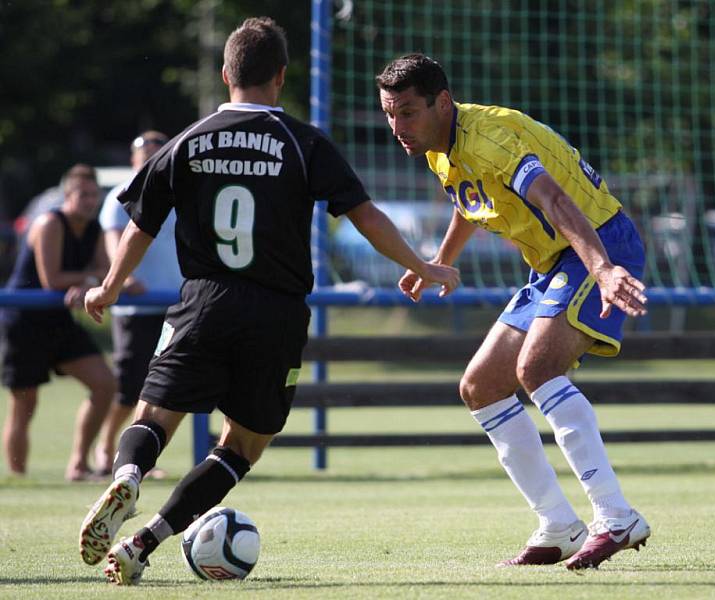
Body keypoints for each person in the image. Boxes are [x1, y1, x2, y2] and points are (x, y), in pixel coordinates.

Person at [78, 18, 459, 585]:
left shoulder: (188, 140)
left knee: (154, 417)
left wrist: (108, 286)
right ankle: (144, 540)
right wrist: (421, 265)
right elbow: (365, 214)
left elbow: (141, 225)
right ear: (280, 77)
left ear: (227, 73)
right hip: (277, 312)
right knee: (243, 446)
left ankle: (130, 473)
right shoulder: (302, 142)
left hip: (203, 302)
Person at [376, 54, 649, 571]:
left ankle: (616, 516)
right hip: (552, 264)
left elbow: (556, 201)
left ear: (442, 103)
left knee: (537, 369)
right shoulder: (441, 148)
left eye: (407, 113)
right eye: (389, 113)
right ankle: (558, 525)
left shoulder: (491, 139)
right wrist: (440, 261)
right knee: (479, 387)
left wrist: (605, 269)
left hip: (595, 243)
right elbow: (470, 201)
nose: (397, 127)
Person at [1, 164, 115, 481]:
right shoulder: (50, 222)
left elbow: (106, 275)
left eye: (94, 195)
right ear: (68, 195)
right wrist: (89, 278)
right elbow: (52, 279)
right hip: (24, 320)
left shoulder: (96, 230)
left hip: (59, 321)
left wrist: (89, 281)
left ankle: (78, 465)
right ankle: (18, 478)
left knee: (105, 384)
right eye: (83, 194)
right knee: (25, 403)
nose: (90, 201)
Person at [94, 131, 182, 476]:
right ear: (133, 157)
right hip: (136, 307)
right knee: (129, 389)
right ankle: (106, 449)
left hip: (173, 306)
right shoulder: (123, 193)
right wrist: (122, 279)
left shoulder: (177, 190)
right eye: (145, 150)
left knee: (161, 389)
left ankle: (138, 460)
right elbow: (115, 240)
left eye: (158, 150)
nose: (151, 155)